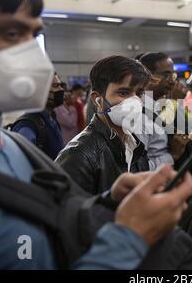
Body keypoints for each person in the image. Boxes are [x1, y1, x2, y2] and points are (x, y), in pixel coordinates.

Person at [0, 0, 192, 270]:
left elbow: (55, 224)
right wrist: (128, 237)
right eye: (11, 33)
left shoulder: (15, 146)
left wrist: (108, 203)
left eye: (34, 36)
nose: (33, 57)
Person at [55, 56, 150, 195]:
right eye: (123, 93)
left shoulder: (135, 145)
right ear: (97, 99)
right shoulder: (78, 155)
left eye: (139, 93)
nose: (134, 102)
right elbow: (70, 212)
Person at [135, 52, 190, 170]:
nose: (172, 81)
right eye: (165, 75)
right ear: (147, 75)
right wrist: (172, 156)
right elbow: (136, 169)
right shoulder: (139, 114)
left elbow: (185, 131)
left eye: (173, 75)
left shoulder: (157, 106)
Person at [10, 73, 65, 160]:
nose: (61, 89)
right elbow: (21, 161)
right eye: (55, 86)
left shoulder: (51, 119)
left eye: (60, 85)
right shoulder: (28, 125)